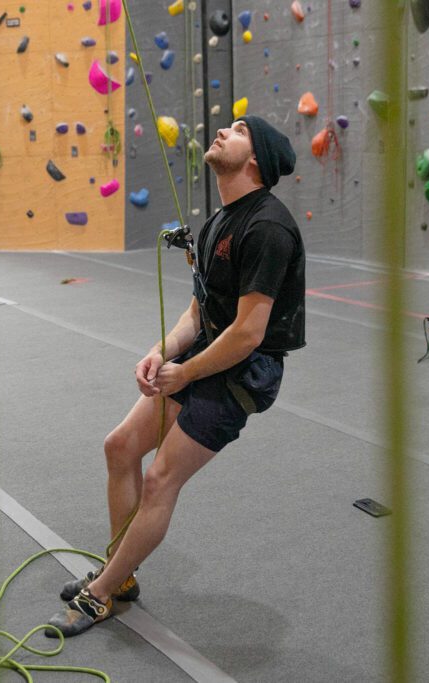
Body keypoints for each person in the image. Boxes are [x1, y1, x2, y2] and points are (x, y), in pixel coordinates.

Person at [47, 116, 304, 637]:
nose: (220, 132)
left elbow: (249, 333)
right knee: (120, 447)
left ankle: (102, 595)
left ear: (256, 159)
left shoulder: (268, 228)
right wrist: (158, 353)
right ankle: (122, 575)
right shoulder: (217, 224)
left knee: (162, 478)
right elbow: (197, 313)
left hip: (244, 374)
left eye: (236, 130)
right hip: (206, 357)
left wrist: (183, 373)